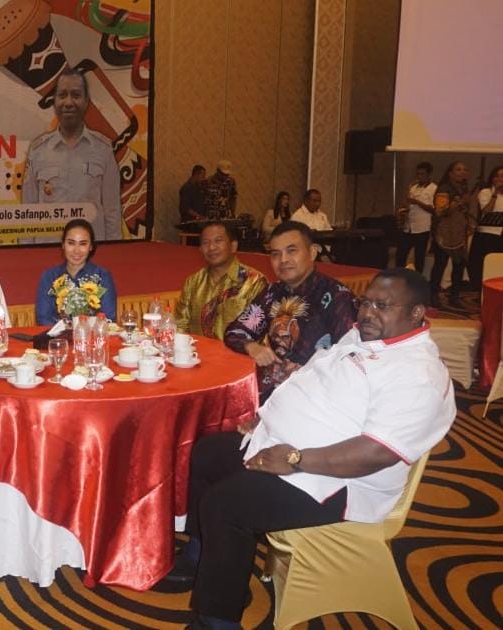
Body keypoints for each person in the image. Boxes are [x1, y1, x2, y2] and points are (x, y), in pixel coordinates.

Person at [176, 269, 456, 629]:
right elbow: (312, 381)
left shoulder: (418, 375)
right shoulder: (362, 337)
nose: (368, 313)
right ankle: (206, 560)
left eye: (383, 306)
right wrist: (267, 419)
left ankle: (217, 620)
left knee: (227, 504)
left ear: (417, 313)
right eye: (365, 302)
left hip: (339, 482)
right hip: (291, 451)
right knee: (208, 454)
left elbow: (376, 453)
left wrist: (295, 459)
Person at [224, 221, 356, 401]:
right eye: (275, 254)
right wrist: (252, 346)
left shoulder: (336, 296)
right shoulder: (272, 293)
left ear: (312, 253)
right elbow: (235, 332)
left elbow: (350, 355)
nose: (283, 260)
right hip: (269, 395)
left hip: (314, 398)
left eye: (291, 251)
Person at [21, 68, 123, 241]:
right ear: (54, 101)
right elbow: (27, 212)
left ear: (86, 102)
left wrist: (113, 251)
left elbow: (112, 211)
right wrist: (27, 251)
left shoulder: (103, 150)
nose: (68, 102)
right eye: (62, 95)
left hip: (90, 250)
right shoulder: (38, 151)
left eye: (76, 95)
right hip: (48, 249)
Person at [174, 222, 268, 339]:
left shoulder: (254, 282)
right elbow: (181, 325)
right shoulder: (193, 282)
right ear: (200, 249)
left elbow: (259, 333)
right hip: (197, 350)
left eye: (218, 241)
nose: (211, 247)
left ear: (233, 246)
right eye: (205, 243)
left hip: (238, 350)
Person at [35, 219, 117, 325]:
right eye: (71, 243)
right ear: (63, 244)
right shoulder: (49, 277)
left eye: (83, 244)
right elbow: (43, 319)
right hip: (57, 335)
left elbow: (108, 318)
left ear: (91, 247)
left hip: (92, 335)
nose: (76, 250)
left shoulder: (103, 276)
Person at [430, 161, 472, 308]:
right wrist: (460, 203)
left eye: (465, 169)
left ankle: (454, 296)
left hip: (458, 233)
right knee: (440, 265)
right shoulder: (444, 188)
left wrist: (467, 223)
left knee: (459, 265)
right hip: (444, 233)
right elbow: (440, 211)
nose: (462, 172)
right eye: (458, 169)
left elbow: (463, 212)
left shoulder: (464, 188)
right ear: (450, 173)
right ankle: (433, 295)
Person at [395, 162, 436, 273]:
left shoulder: (433, 188)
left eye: (422, 174)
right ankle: (399, 276)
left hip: (422, 227)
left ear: (429, 175)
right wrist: (404, 209)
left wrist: (416, 202)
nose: (419, 177)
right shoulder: (413, 187)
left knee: (419, 257)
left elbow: (433, 209)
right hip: (408, 226)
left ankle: (417, 279)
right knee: (400, 254)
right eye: (418, 174)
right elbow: (409, 204)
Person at [467, 165, 503, 288]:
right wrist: (495, 194)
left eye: (502, 176)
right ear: (492, 178)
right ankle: (482, 289)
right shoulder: (485, 192)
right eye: (497, 176)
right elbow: (486, 210)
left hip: (500, 234)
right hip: (486, 234)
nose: (500, 179)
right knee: (484, 265)